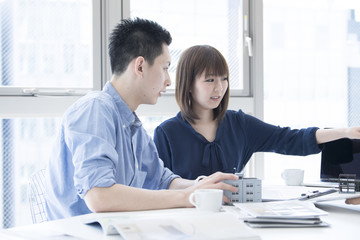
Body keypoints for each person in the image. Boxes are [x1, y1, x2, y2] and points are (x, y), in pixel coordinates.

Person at [44, 19, 238, 220]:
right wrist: (186, 196)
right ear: (140, 66)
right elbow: (99, 196)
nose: (169, 80)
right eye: (165, 68)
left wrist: (206, 185)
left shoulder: (131, 124)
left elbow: (162, 180)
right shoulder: (95, 109)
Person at [153, 44, 360, 191]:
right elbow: (160, 187)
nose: (219, 87)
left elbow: (290, 138)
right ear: (188, 84)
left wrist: (346, 132)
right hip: (187, 222)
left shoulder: (240, 125)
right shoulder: (166, 133)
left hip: (234, 220)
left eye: (224, 78)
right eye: (210, 79)